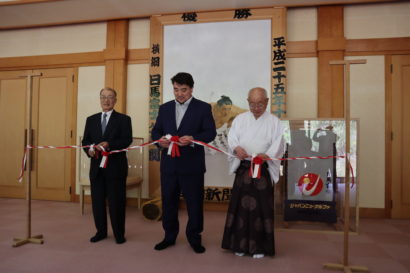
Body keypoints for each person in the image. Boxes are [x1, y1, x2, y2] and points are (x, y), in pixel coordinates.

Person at [151, 72, 216, 254]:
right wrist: (159, 141)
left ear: (192, 89)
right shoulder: (164, 108)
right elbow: (155, 132)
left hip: (192, 166)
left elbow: (210, 133)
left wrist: (193, 138)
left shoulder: (203, 108)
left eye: (184, 90)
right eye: (176, 89)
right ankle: (169, 236)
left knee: (194, 204)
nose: (179, 94)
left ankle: (194, 238)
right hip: (169, 165)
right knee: (169, 202)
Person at [221, 87, 284, 258]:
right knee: (240, 207)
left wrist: (267, 155)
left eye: (260, 104)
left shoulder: (274, 122)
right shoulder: (240, 119)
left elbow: (279, 145)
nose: (256, 108)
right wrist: (236, 148)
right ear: (248, 102)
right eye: (253, 104)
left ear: (267, 102)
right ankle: (238, 245)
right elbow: (232, 138)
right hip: (244, 167)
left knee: (262, 208)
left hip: (262, 168)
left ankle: (260, 247)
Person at [82, 87, 132, 244]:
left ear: (115, 100)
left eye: (110, 97)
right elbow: (85, 142)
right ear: (100, 99)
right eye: (103, 97)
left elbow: (126, 140)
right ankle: (101, 232)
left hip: (115, 168)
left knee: (117, 203)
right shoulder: (91, 119)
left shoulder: (124, 119)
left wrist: (109, 144)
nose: (106, 100)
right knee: (97, 203)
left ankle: (119, 234)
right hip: (96, 167)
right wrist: (89, 150)